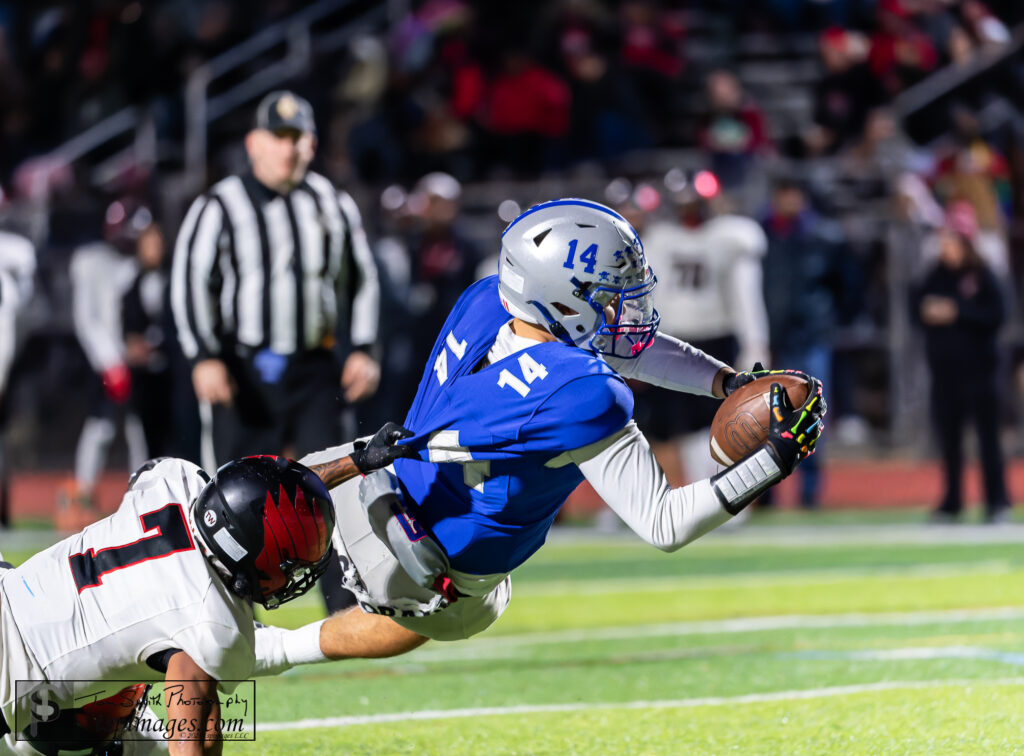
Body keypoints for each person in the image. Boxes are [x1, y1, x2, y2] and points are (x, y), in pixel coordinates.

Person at [253, 198, 825, 674]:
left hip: (376, 478)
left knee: (254, 532)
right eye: (607, 295)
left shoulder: (485, 299)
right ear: (561, 297)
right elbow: (665, 524)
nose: (624, 309)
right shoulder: (582, 393)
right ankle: (262, 649)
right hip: (439, 565)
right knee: (448, 614)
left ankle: (204, 597)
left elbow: (622, 349)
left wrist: (724, 382)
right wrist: (773, 458)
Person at [0, 423, 411, 755]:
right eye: (289, 565)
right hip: (12, 672)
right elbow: (192, 738)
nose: (294, 577)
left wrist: (356, 461)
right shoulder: (208, 625)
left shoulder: (175, 481)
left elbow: (264, 494)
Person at [170, 90, 382, 472]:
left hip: (316, 369)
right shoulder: (219, 205)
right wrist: (204, 356)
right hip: (244, 372)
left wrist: (364, 348)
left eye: (296, 137)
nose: (288, 149)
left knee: (337, 487)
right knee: (238, 493)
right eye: (278, 137)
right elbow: (191, 282)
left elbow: (362, 280)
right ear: (254, 144)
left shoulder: (332, 202)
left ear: (312, 144)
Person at [637, 171, 770, 486]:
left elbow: (745, 297)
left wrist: (754, 344)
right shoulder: (659, 238)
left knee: (713, 423)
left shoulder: (731, 236)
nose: (688, 211)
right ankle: (671, 496)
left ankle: (717, 493)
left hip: (713, 339)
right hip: (669, 339)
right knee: (666, 427)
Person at [913, 222, 1009, 523]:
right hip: (945, 373)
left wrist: (957, 311)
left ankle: (997, 501)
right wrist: (928, 311)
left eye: (951, 243)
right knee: (950, 440)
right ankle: (953, 501)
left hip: (981, 372)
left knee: (988, 440)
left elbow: (998, 314)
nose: (946, 250)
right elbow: (916, 306)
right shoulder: (935, 276)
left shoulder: (982, 274)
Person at [67, 199, 151, 522]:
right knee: (100, 426)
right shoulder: (90, 260)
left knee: (139, 430)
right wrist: (110, 361)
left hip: (136, 361)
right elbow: (86, 319)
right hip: (106, 363)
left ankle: (144, 495)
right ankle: (82, 494)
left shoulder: (137, 265)